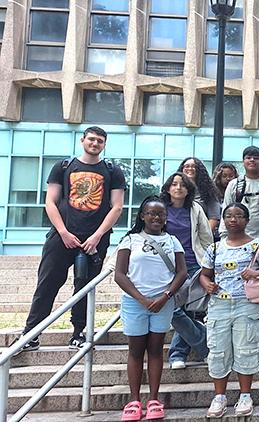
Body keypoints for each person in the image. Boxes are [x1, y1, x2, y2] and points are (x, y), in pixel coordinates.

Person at [18, 126, 126, 352]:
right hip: (61, 237)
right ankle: (31, 334)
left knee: (85, 287)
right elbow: (50, 202)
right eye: (91, 139)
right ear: (82, 140)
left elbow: (116, 207)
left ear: (104, 144)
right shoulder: (63, 167)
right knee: (47, 284)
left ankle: (78, 333)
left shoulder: (112, 170)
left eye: (100, 141)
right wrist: (64, 232)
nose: (95, 144)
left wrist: (97, 236)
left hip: (94, 241)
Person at [199, 203, 259, 418]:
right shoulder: (215, 247)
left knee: (246, 348)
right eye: (228, 216)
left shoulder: (257, 246)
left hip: (247, 304)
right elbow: (205, 273)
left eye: (238, 216)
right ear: (224, 220)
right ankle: (219, 397)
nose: (233, 219)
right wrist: (206, 284)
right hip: (219, 305)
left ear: (247, 220)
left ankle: (245, 395)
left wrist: (256, 273)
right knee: (218, 350)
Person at [114, 196, 187, 421]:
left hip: (163, 302)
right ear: (142, 216)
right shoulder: (130, 240)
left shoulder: (173, 241)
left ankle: (154, 399)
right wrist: (142, 299)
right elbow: (119, 274)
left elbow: (182, 273)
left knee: (155, 349)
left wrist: (165, 296)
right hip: (135, 302)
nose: (156, 217)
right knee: (136, 350)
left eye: (161, 214)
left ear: (166, 218)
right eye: (151, 213)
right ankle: (134, 400)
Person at [221, 146, 259, 321]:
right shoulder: (235, 184)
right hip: (238, 240)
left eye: (256, 158)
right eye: (248, 157)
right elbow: (226, 210)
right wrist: (225, 237)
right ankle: (242, 310)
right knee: (240, 275)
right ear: (243, 161)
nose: (252, 161)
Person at [159, 172, 213, 370]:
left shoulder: (195, 208)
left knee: (188, 310)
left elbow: (206, 237)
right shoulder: (160, 208)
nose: (178, 188)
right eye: (174, 184)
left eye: (183, 185)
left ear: (189, 189)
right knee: (172, 308)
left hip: (191, 264)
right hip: (165, 267)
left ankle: (177, 355)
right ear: (167, 188)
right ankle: (206, 346)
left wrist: (210, 264)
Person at [177, 157, 221, 231]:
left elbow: (214, 218)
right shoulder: (175, 189)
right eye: (187, 166)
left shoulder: (209, 191)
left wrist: (204, 236)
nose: (190, 168)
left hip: (200, 234)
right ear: (182, 169)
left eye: (194, 166)